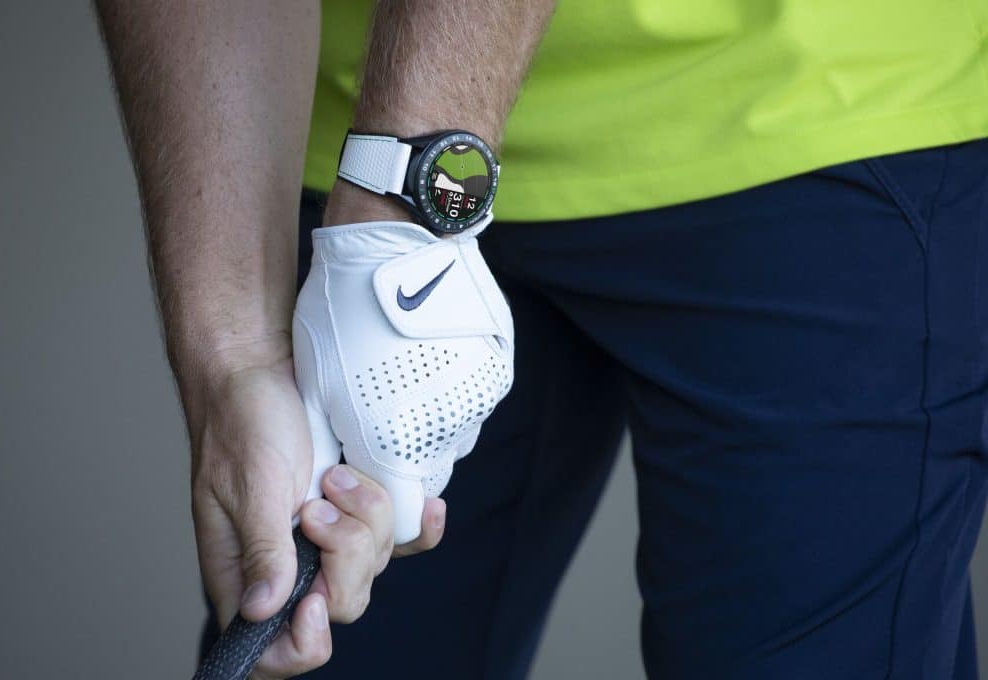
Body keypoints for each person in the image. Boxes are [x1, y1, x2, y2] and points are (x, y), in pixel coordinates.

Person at [94, 1, 988, 677]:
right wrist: (235, 354)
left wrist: (400, 219)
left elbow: (402, 203)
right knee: (320, 631)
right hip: (356, 154)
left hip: (807, 116)